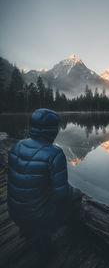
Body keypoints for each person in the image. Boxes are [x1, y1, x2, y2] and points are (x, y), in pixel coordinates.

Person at [7, 108, 81, 257]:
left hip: (14, 212)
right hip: (38, 217)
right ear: (52, 130)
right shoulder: (55, 153)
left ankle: (29, 229)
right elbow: (61, 195)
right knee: (76, 196)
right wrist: (73, 191)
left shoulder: (17, 146)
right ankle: (61, 236)